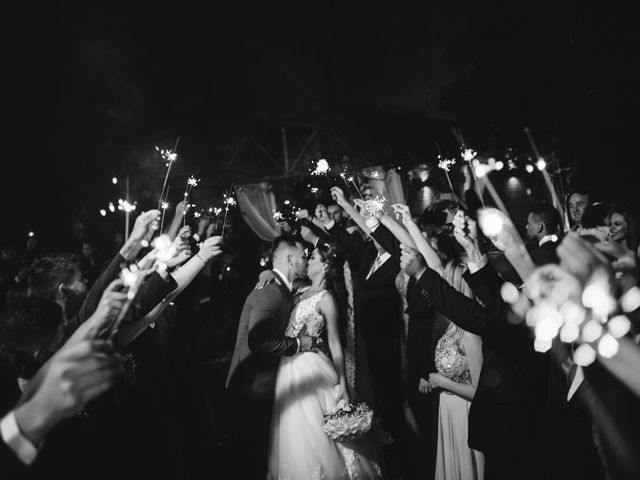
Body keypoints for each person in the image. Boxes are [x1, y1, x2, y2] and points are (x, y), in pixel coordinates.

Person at [269, 242, 382, 479]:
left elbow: (334, 343)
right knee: (294, 431)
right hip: (289, 367)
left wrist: (342, 382)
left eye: (313, 259)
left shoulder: (326, 298)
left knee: (316, 430)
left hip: (312, 368)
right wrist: (266, 272)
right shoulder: (298, 291)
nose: (307, 261)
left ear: (326, 266)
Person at [226, 236, 318, 479]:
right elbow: (259, 341)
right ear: (289, 259)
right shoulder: (269, 292)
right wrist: (299, 343)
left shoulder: (283, 287)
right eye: (302, 257)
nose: (305, 260)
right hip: (254, 385)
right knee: (255, 456)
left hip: (266, 384)